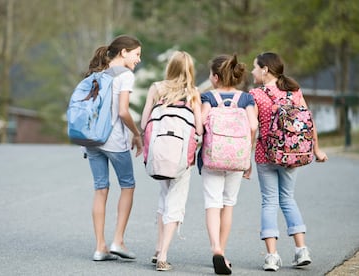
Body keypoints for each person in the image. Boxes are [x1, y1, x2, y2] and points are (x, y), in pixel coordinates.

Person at [249, 52, 328, 271]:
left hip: (266, 154)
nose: (252, 71)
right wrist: (317, 150)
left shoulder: (255, 94)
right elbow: (308, 122)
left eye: (255, 67)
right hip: (292, 154)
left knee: (269, 202)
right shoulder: (294, 90)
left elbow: (253, 128)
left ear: (265, 69)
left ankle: (272, 257)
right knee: (287, 199)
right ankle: (301, 250)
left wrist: (245, 159)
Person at [140, 51, 203, 271]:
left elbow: (144, 122)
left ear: (170, 67)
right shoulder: (193, 94)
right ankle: (163, 255)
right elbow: (200, 128)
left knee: (164, 199)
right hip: (181, 159)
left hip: (159, 154)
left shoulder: (157, 88)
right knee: (175, 204)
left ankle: (158, 248)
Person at [84, 35, 143, 261]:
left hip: (92, 140)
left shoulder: (96, 73)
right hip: (114, 140)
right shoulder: (125, 75)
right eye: (136, 54)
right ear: (124, 52)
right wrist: (136, 134)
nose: (138, 59)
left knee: (100, 189)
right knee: (128, 185)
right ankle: (118, 240)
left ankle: (100, 247)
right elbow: (123, 111)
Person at [198, 54, 258, 275]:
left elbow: (201, 124)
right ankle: (222, 250)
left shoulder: (209, 97)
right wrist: (247, 156)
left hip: (212, 157)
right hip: (237, 157)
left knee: (212, 204)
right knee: (228, 203)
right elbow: (252, 125)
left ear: (215, 77)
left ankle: (215, 248)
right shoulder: (245, 99)